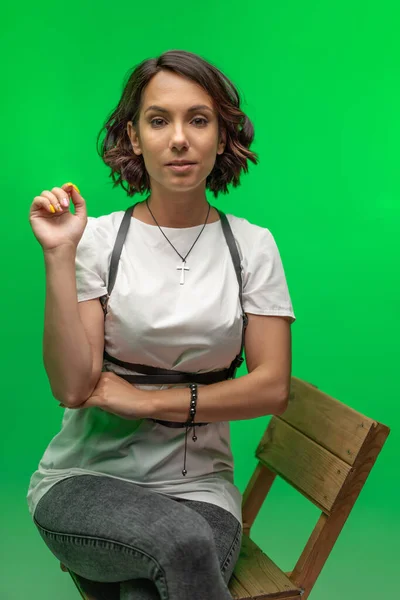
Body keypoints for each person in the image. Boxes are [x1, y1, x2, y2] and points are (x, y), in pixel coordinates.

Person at [26, 49, 296, 600]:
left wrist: (148, 402)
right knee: (179, 545)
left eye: (198, 120)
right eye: (158, 120)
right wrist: (59, 254)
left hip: (199, 489)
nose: (179, 138)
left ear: (221, 137)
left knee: (158, 573)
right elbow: (75, 387)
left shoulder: (252, 246)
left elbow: (272, 387)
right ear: (134, 136)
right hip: (85, 480)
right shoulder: (98, 240)